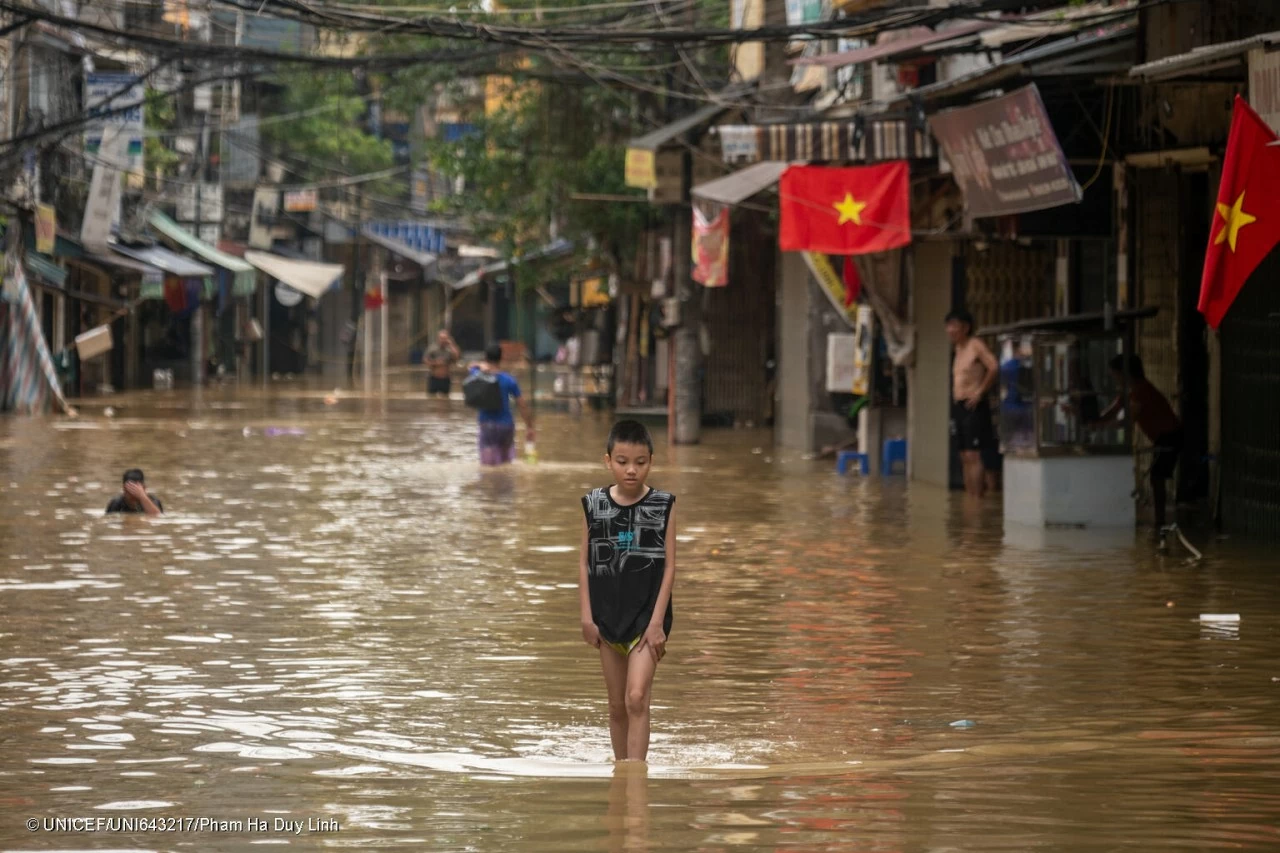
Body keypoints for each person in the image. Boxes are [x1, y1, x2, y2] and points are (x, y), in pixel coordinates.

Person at [579, 420, 676, 763]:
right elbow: (584, 563)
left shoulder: (664, 505)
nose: (631, 470)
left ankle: (637, 776)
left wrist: (657, 622)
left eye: (640, 462)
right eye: (622, 462)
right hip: (607, 617)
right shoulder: (593, 504)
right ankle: (622, 773)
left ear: (651, 461)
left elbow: (669, 567)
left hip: (647, 618)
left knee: (637, 697)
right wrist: (587, 617)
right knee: (617, 704)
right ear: (608, 461)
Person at [1093, 354, 1182, 531]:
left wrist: (1104, 426)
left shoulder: (1141, 390)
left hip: (1169, 436)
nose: (1114, 378)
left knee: (1157, 478)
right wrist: (1096, 421)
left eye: (1115, 374)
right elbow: (1112, 410)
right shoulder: (1128, 390)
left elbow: (1128, 421)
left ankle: (1160, 524)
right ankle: (1160, 521)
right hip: (1161, 436)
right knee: (1157, 477)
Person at [946, 308, 999, 497]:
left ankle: (976, 499)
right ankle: (970, 499)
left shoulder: (975, 344)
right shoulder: (957, 349)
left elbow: (993, 366)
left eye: (954, 326)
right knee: (963, 455)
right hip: (959, 406)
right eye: (948, 326)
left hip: (974, 405)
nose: (950, 330)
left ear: (966, 327)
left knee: (972, 454)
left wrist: (980, 392)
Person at [466, 343, 535, 466]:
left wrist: (481, 365)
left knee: (488, 467)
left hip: (487, 425)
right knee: (506, 464)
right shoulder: (509, 379)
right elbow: (522, 405)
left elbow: (470, 366)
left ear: (485, 358)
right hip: (506, 426)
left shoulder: (477, 374)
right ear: (501, 358)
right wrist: (529, 427)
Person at [424, 329, 460, 397]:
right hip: (434, 378)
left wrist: (452, 344)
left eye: (445, 338)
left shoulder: (450, 350)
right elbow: (425, 360)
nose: (443, 340)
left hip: (446, 379)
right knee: (432, 399)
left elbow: (457, 357)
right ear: (438, 339)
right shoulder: (432, 348)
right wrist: (436, 363)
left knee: (446, 400)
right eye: (441, 338)